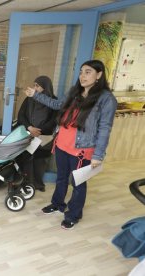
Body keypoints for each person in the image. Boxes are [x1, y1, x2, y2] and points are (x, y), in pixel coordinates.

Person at [25, 59, 117, 230]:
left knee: (78, 183)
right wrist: (35, 95)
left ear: (99, 75)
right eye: (81, 72)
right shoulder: (75, 93)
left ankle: (74, 214)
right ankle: (57, 203)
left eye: (88, 72)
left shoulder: (106, 99)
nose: (83, 76)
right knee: (61, 177)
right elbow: (57, 105)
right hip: (62, 144)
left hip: (82, 149)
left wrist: (98, 155)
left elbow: (105, 128)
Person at [17, 76, 57, 192]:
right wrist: (29, 128)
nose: (34, 88)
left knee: (40, 160)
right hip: (28, 133)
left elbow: (54, 120)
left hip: (44, 136)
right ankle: (26, 183)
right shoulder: (30, 98)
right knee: (26, 158)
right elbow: (21, 115)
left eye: (37, 86)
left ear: (45, 87)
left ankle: (38, 184)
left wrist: (39, 131)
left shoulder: (53, 101)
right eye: (34, 85)